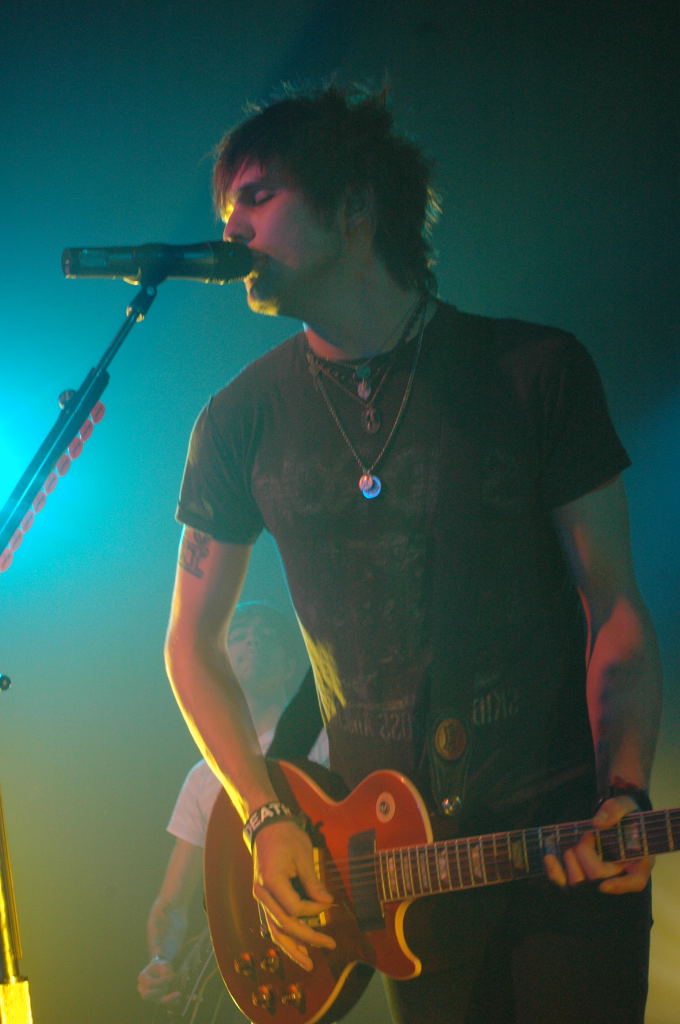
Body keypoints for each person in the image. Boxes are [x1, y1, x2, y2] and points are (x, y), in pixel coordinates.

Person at [163, 84, 663, 1023]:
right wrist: (265, 815)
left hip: (560, 837)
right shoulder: (237, 421)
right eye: (227, 206)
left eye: (259, 196)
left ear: (355, 208)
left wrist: (627, 789)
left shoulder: (536, 370)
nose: (231, 227)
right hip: (391, 867)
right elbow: (191, 642)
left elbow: (616, 606)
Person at [137, 601, 325, 1015]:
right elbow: (172, 904)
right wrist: (162, 960)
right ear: (220, 665)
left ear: (289, 665)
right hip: (255, 973)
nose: (252, 641)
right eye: (239, 635)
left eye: (267, 636)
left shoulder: (326, 737)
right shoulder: (203, 776)